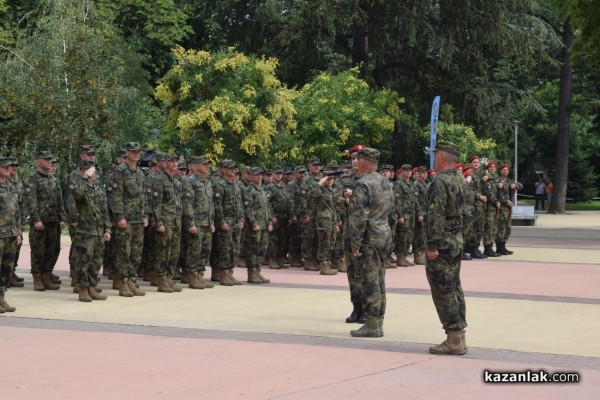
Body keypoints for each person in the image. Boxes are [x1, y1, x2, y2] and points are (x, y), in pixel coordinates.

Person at [425, 141, 468, 355]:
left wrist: (432, 246)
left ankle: (453, 339)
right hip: (456, 240)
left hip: (442, 244)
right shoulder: (461, 179)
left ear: (442, 157)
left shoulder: (440, 182)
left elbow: (436, 216)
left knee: (444, 290)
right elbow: (469, 212)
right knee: (454, 287)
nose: (434, 159)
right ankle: (459, 335)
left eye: (435, 156)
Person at [348, 147, 394, 338]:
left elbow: (359, 217)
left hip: (370, 238)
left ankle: (372, 324)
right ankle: (378, 321)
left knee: (370, 280)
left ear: (365, 162)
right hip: (384, 234)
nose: (356, 163)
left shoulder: (363, 184)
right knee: (380, 278)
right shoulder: (385, 182)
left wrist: (355, 243)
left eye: (358, 160)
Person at [107, 142, 149, 297]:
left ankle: (131, 280)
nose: (136, 154)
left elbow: (143, 196)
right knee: (123, 252)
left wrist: (145, 215)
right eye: (133, 151)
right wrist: (119, 217)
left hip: (138, 219)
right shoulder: (120, 171)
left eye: (138, 151)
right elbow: (115, 196)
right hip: (125, 219)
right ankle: (122, 282)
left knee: (136, 253)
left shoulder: (139, 173)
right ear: (127, 153)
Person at [23, 151, 67, 291]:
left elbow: (59, 201)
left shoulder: (53, 179)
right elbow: (31, 200)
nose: (49, 161)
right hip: (40, 221)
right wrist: (36, 219)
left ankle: (46, 275)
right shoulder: (32, 178)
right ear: (38, 161)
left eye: (50, 159)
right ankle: (37, 277)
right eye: (46, 159)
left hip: (53, 220)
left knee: (51, 250)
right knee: (38, 250)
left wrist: (62, 218)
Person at [71, 161, 111, 302]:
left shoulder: (98, 190)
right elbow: (77, 193)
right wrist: (85, 178)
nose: (93, 174)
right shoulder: (80, 189)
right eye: (90, 172)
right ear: (82, 172)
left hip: (99, 232)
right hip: (85, 233)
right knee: (84, 263)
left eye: (93, 172)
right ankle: (82, 289)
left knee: (96, 262)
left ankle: (92, 287)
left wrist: (107, 229)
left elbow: (105, 212)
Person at [149, 153, 184, 292]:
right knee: (163, 252)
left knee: (174, 253)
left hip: (176, 222)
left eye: (176, 161)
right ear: (165, 163)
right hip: (165, 222)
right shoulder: (160, 180)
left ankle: (169, 278)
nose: (175, 164)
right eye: (171, 161)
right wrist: (158, 222)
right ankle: (161, 279)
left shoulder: (177, 181)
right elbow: (156, 204)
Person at [181, 155, 216, 289]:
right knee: (194, 251)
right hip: (196, 222)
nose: (207, 166)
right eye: (204, 164)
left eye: (208, 164)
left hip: (206, 222)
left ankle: (200, 276)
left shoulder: (207, 182)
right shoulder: (190, 181)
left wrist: (211, 221)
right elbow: (188, 203)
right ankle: (192, 277)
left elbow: (210, 203)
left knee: (205, 251)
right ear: (196, 166)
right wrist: (190, 223)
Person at [242, 167, 273, 283]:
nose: (259, 176)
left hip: (264, 225)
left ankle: (258, 272)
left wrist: (269, 222)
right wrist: (253, 223)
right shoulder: (249, 190)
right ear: (250, 176)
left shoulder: (262, 190)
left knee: (262, 250)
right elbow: (248, 209)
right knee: (253, 250)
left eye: (260, 175)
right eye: (256, 175)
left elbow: (267, 208)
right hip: (255, 227)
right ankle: (251, 273)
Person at [0, 157, 22, 313]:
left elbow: (17, 211)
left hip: (11, 234)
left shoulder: (11, 187)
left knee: (7, 268)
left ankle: (1, 298)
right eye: (5, 166)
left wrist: (18, 232)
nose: (9, 169)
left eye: (10, 167)